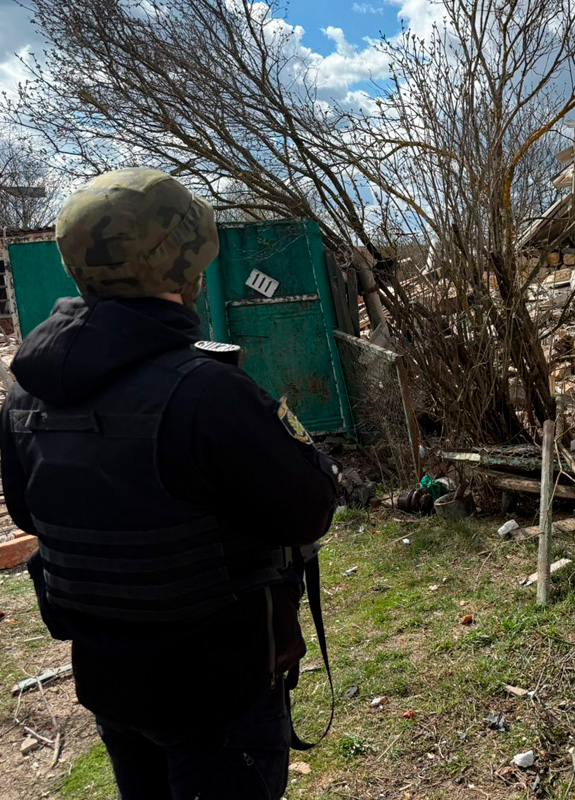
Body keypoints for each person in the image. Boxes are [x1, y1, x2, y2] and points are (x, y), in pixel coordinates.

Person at [0, 168, 338, 799]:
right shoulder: (205, 391)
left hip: (110, 683)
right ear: (180, 267)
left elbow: (29, 511)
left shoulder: (28, 393)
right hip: (218, 691)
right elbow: (308, 512)